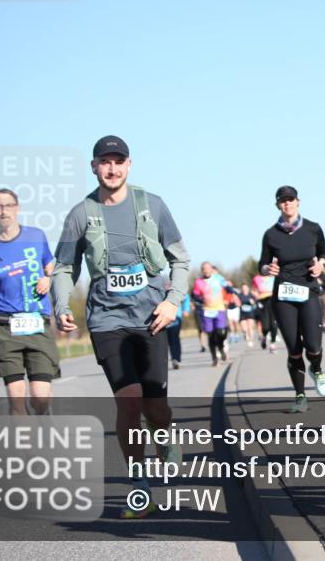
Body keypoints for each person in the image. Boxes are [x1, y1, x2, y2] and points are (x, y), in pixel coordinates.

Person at [52, 135, 191, 519]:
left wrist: (171, 301)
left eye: (119, 161)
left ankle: (163, 437)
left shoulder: (153, 207)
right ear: (93, 167)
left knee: (156, 407)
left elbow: (180, 260)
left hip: (151, 317)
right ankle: (138, 481)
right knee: (128, 400)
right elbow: (65, 266)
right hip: (106, 319)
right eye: (104, 162)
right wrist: (61, 303)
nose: (112, 168)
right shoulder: (81, 214)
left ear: (129, 165)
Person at [0, 188, 59, 416]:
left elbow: (51, 268)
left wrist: (48, 279)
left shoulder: (36, 236)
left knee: (41, 396)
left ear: (17, 208)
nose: (4, 211)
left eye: (8, 205)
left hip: (37, 324)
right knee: (16, 398)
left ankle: (42, 416)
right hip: (5, 328)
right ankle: (26, 450)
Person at [258, 185, 325, 413]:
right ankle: (300, 396)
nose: (287, 203)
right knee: (293, 348)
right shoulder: (271, 234)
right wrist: (266, 269)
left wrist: (321, 264)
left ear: (298, 202)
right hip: (283, 296)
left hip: (308, 290)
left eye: (290, 199)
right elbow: (261, 263)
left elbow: (324, 253)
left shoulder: (313, 228)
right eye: (283, 201)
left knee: (313, 344)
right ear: (277, 205)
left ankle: (317, 369)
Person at [192, 262, 232, 366]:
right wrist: (202, 300)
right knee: (211, 335)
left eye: (208, 268)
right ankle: (214, 358)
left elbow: (229, 289)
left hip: (219, 309)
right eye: (204, 268)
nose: (206, 270)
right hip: (207, 311)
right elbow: (195, 296)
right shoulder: (198, 282)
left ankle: (221, 347)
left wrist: (228, 298)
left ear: (211, 269)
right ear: (202, 270)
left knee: (220, 333)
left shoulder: (218, 278)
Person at [165, 282, 191, 369]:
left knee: (174, 339)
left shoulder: (176, 288)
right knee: (164, 342)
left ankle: (176, 359)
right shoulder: (158, 287)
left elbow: (186, 298)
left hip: (176, 317)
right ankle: (161, 363)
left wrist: (186, 309)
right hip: (161, 319)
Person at [252, 270, 279, 352]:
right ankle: (264, 337)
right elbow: (253, 290)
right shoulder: (257, 278)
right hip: (263, 302)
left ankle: (272, 344)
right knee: (266, 326)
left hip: (274, 300)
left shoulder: (274, 277)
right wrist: (256, 295)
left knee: (274, 325)